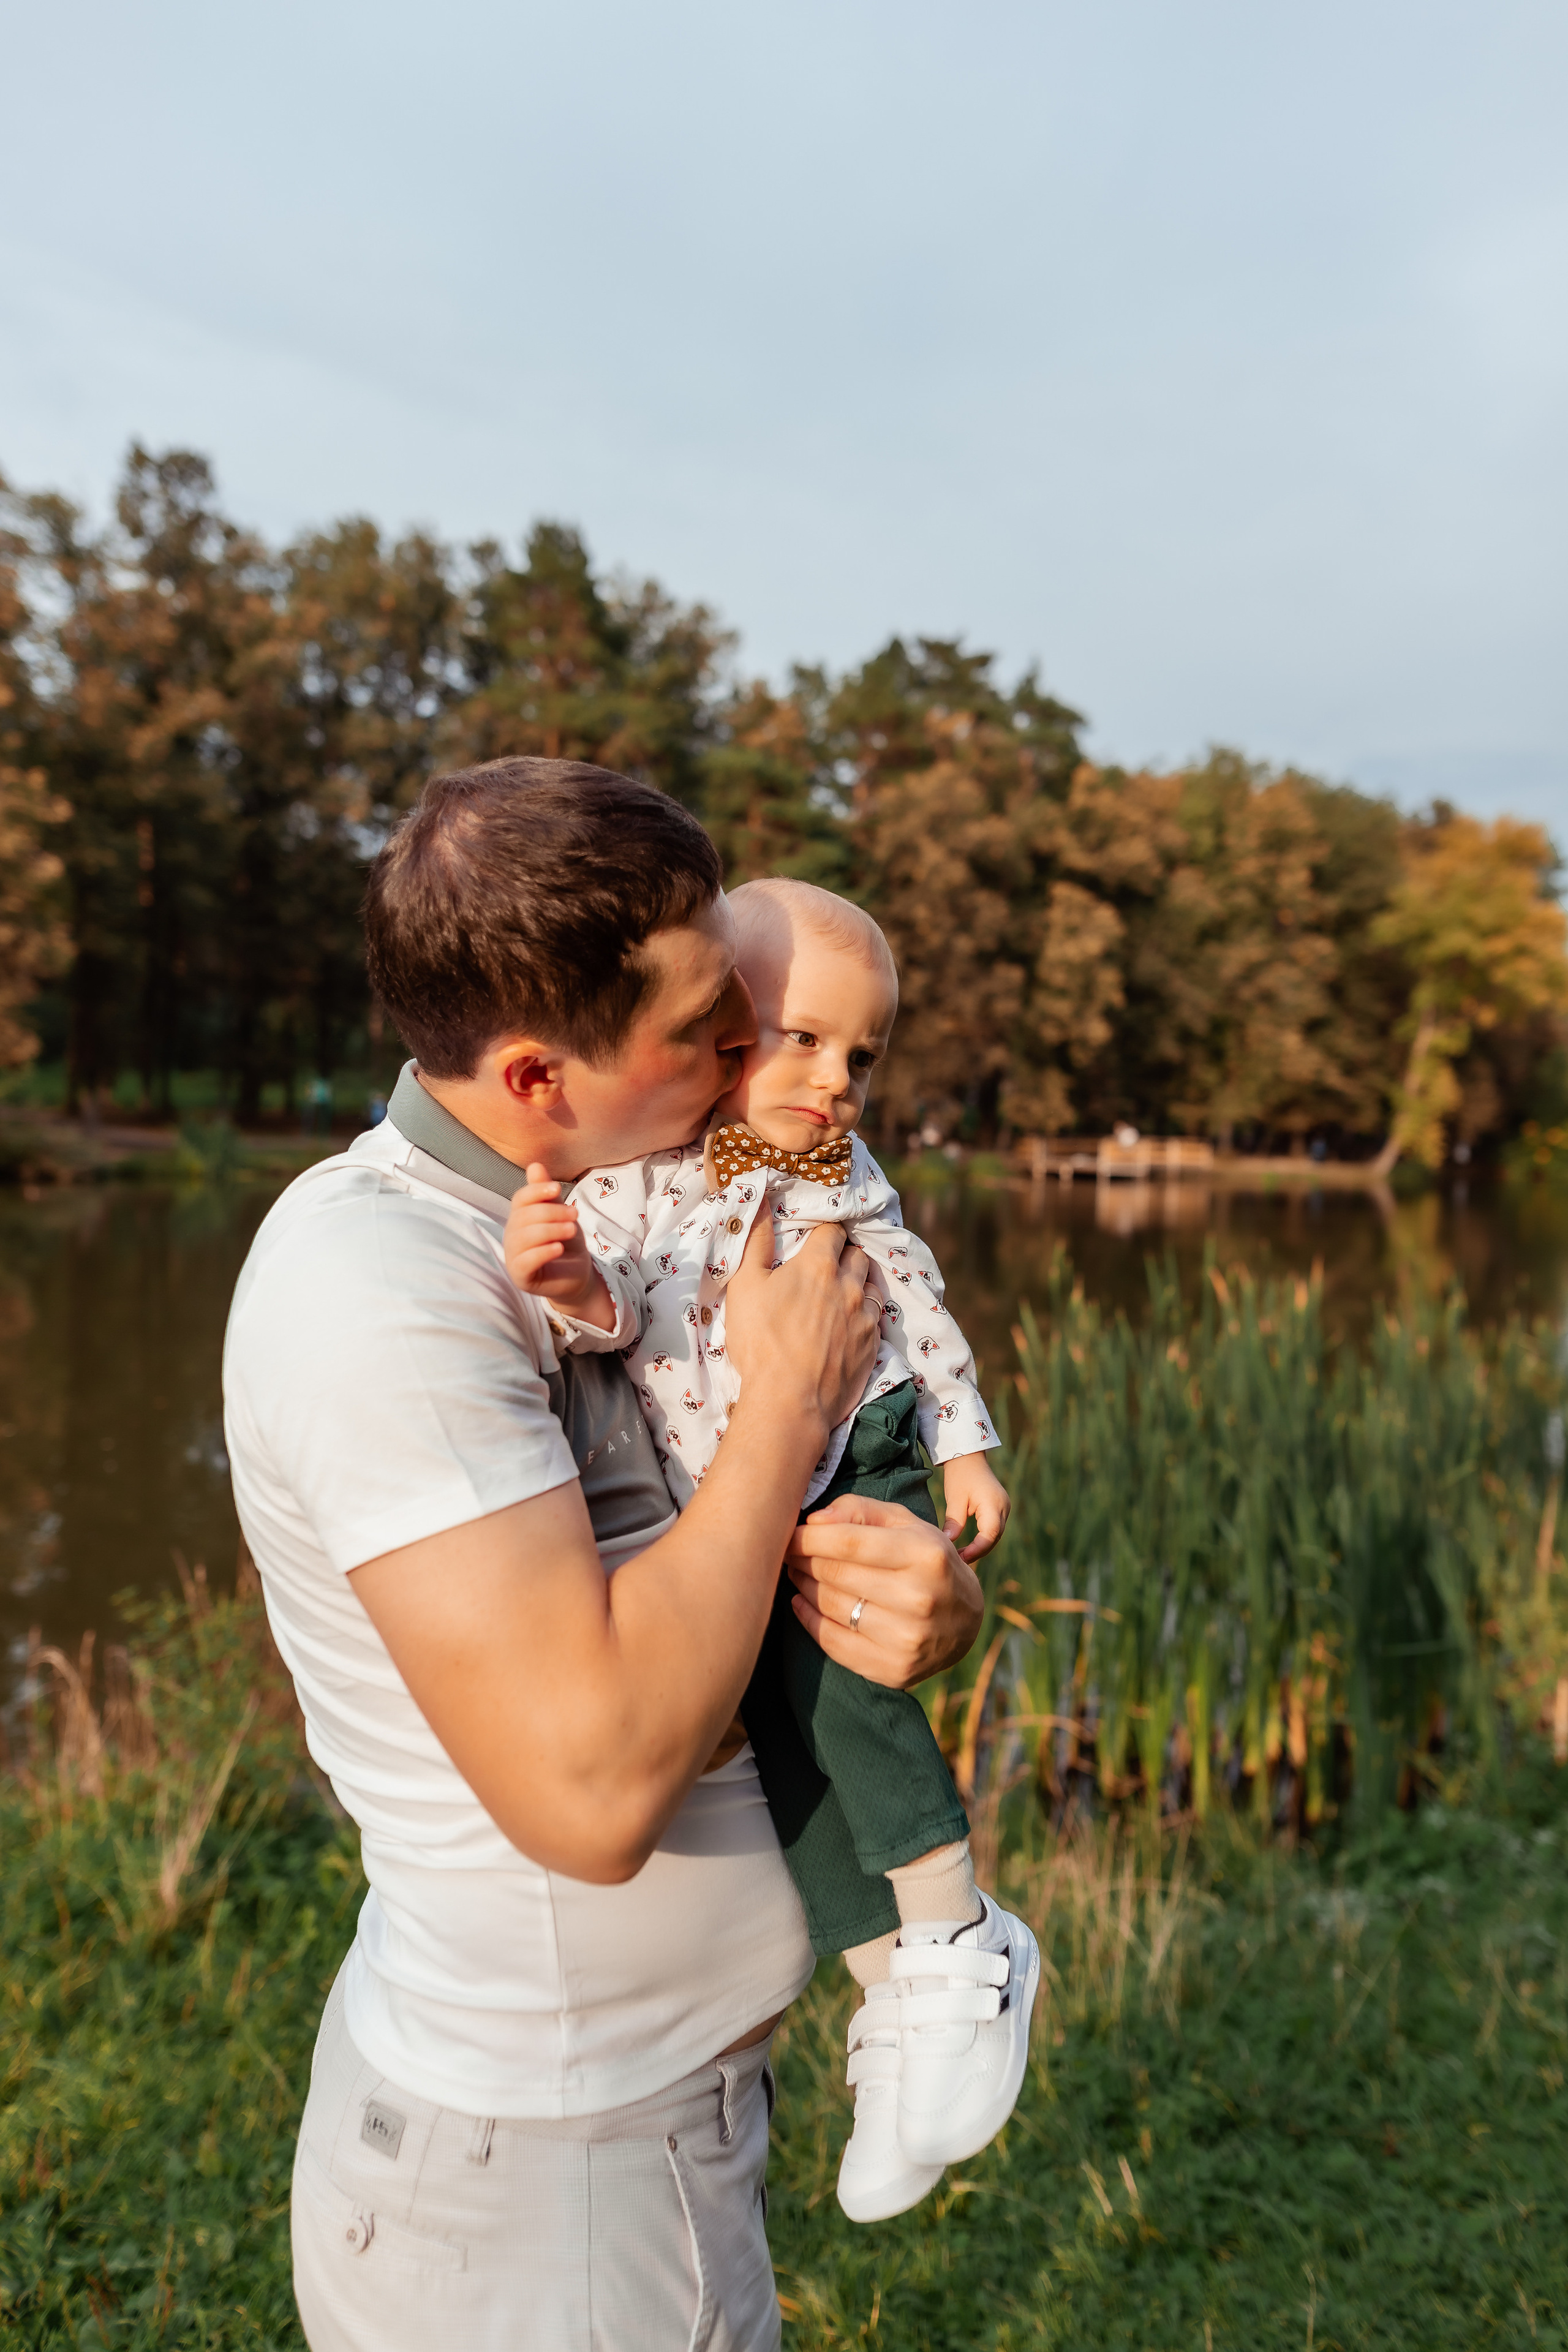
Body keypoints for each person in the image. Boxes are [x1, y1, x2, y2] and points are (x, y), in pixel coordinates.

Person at [221, 757, 984, 2351]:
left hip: (631, 2135)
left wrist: (908, 1586)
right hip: (552, 2194)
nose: (744, 1048)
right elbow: (590, 1792)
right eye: (703, 1025)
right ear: (534, 1078)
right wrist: (791, 1406)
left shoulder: (639, 1215)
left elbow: (735, 1555)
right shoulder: (387, 1296)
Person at [504, 878, 1039, 2223]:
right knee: (769, 1738)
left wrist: (963, 1444)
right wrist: (571, 1287)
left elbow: (909, 1300)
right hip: (730, 1500)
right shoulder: (629, 1180)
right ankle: (887, 2010)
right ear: (712, 1029)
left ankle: (961, 1931)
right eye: (800, 1038)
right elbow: (614, 1316)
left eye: (861, 1055)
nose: (835, 1080)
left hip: (851, 1453)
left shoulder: (841, 1176)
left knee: (843, 1686)